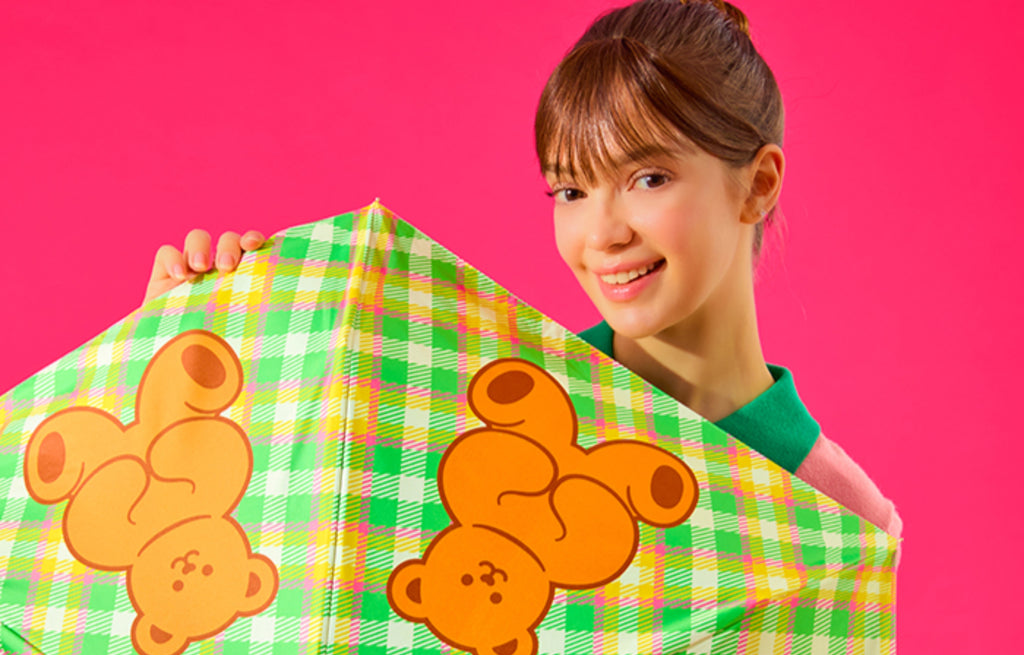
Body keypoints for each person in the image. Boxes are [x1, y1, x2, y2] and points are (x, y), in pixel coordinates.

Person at [141, 0, 900, 537]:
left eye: (649, 178)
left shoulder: (840, 522)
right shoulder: (485, 406)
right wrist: (186, 371)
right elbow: (281, 539)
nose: (601, 233)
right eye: (570, 190)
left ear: (759, 184)